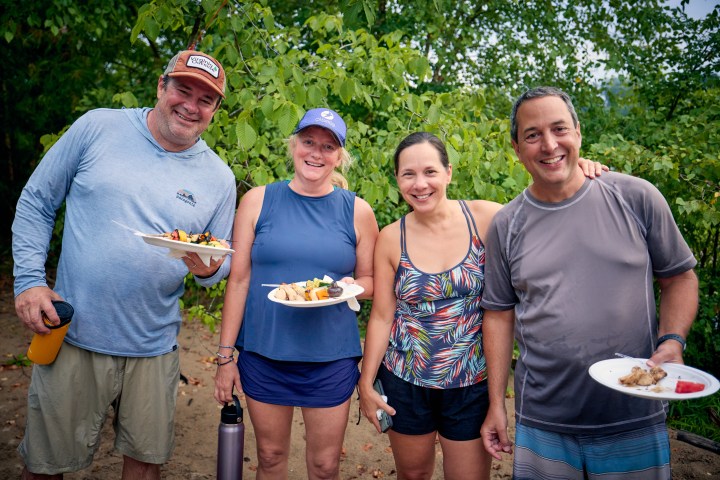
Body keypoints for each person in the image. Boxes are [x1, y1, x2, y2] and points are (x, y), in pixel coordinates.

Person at [12, 49, 236, 480]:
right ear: (161, 86)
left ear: (214, 110)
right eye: (183, 90)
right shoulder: (98, 127)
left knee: (145, 468)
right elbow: (37, 201)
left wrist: (208, 269)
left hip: (154, 348)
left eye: (204, 99)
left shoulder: (219, 177)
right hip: (74, 337)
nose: (191, 105)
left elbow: (216, 267)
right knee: (44, 466)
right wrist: (29, 281)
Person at [357, 132, 607, 480]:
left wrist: (574, 172)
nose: (420, 184)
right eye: (408, 174)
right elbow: (383, 316)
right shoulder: (390, 237)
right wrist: (366, 384)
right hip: (405, 381)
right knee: (412, 475)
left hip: (471, 384)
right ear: (397, 179)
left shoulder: (486, 218)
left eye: (430, 171)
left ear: (448, 172)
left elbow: (545, 215)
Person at [480, 86, 698, 480]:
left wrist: (672, 341)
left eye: (560, 129)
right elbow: (498, 314)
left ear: (578, 132)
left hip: (634, 412)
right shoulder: (507, 224)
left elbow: (680, 277)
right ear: (516, 147)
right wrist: (497, 402)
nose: (549, 145)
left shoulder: (636, 197)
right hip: (543, 420)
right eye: (532, 135)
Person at [213, 108, 379, 479]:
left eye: (328, 146)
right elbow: (238, 281)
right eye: (308, 142)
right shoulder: (258, 200)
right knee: (270, 457)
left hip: (330, 358)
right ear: (294, 145)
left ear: (340, 156)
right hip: (264, 352)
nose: (316, 153)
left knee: (324, 466)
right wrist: (225, 357)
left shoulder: (358, 211)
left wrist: (344, 287)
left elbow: (370, 282)